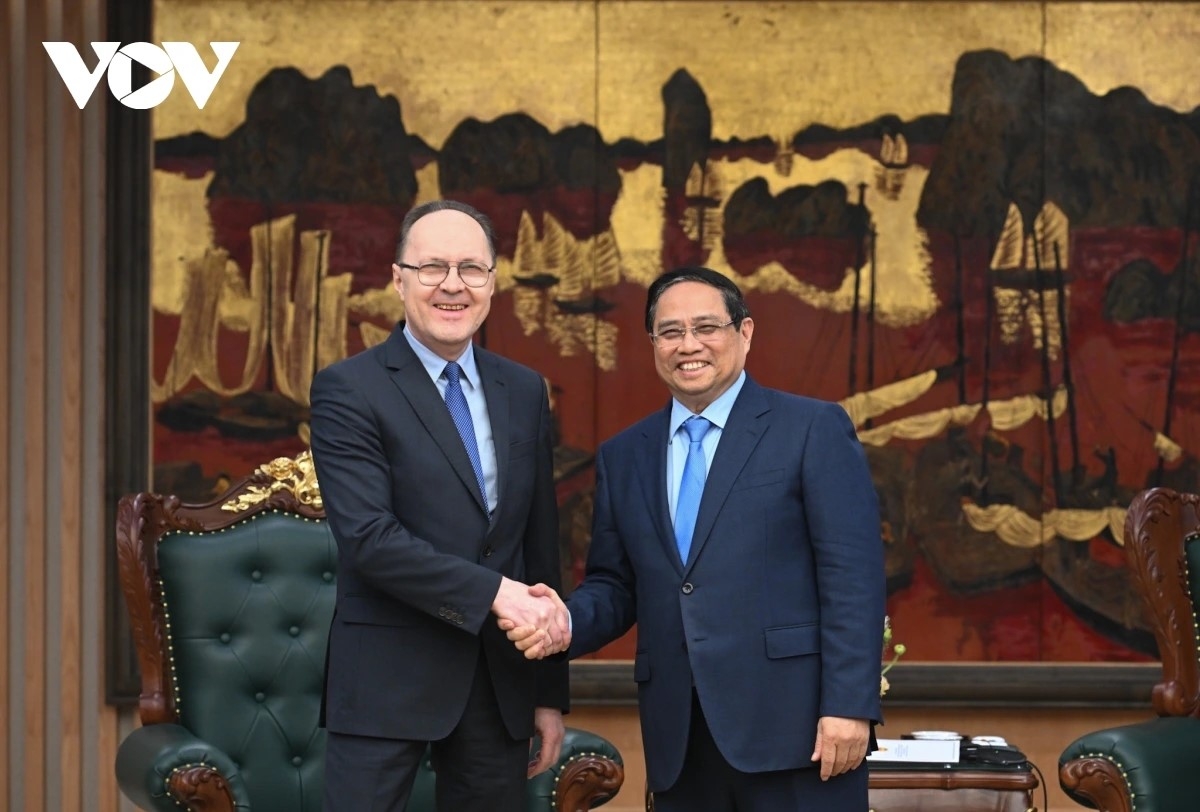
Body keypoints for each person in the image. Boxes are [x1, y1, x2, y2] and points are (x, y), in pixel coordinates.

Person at [506, 266, 886, 811]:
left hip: (798, 735)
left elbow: (853, 577)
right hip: (681, 741)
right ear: (653, 344)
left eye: (706, 327)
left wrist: (849, 705)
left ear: (745, 332)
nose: (689, 345)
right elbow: (616, 585)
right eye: (670, 332)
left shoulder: (811, 429)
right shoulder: (625, 454)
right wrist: (561, 622)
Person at [309, 199, 571, 812]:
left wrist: (546, 693)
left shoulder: (524, 389)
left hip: (498, 683)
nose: (453, 285)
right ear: (398, 280)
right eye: (432, 268)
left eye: (471, 268)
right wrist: (495, 594)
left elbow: (538, 543)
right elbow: (370, 539)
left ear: (492, 283)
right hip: (384, 680)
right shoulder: (349, 388)